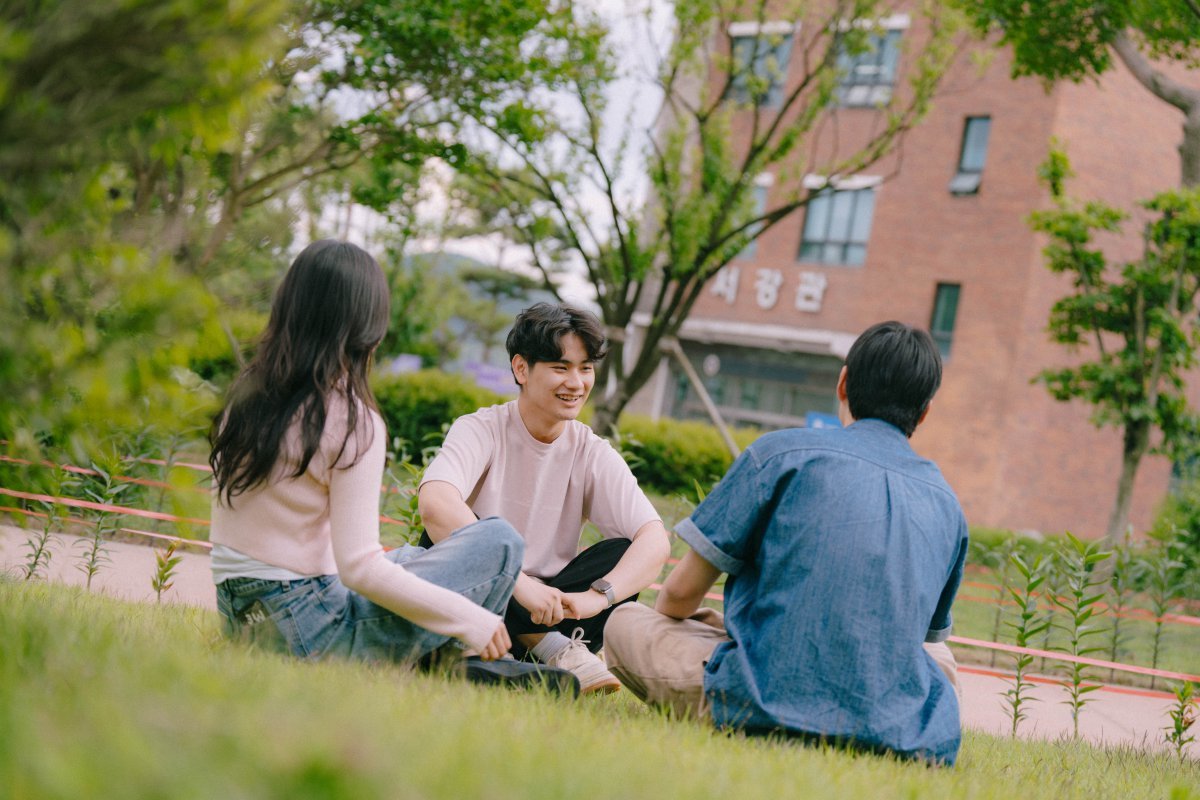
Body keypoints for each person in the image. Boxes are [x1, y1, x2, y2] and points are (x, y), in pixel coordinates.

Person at [208, 240, 576, 694]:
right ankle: (461, 658)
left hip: (241, 614)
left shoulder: (249, 394)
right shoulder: (348, 418)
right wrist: (471, 619)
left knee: (412, 559)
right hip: (308, 632)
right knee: (497, 541)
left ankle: (450, 658)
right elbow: (360, 568)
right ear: (369, 326)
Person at [604, 321, 969, 766]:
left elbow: (678, 596)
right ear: (925, 411)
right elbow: (919, 637)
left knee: (624, 621)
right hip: (896, 726)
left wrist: (699, 629)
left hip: (758, 705)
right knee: (942, 659)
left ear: (843, 382)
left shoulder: (779, 454)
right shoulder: (948, 504)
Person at [418, 302, 672, 693]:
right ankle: (544, 648)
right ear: (521, 369)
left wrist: (596, 599)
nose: (576, 382)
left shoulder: (591, 451)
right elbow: (435, 503)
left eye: (585, 368)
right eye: (561, 367)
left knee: (623, 549)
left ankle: (505, 649)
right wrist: (516, 583)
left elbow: (655, 541)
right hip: (480, 593)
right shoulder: (481, 429)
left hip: (554, 606)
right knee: (457, 535)